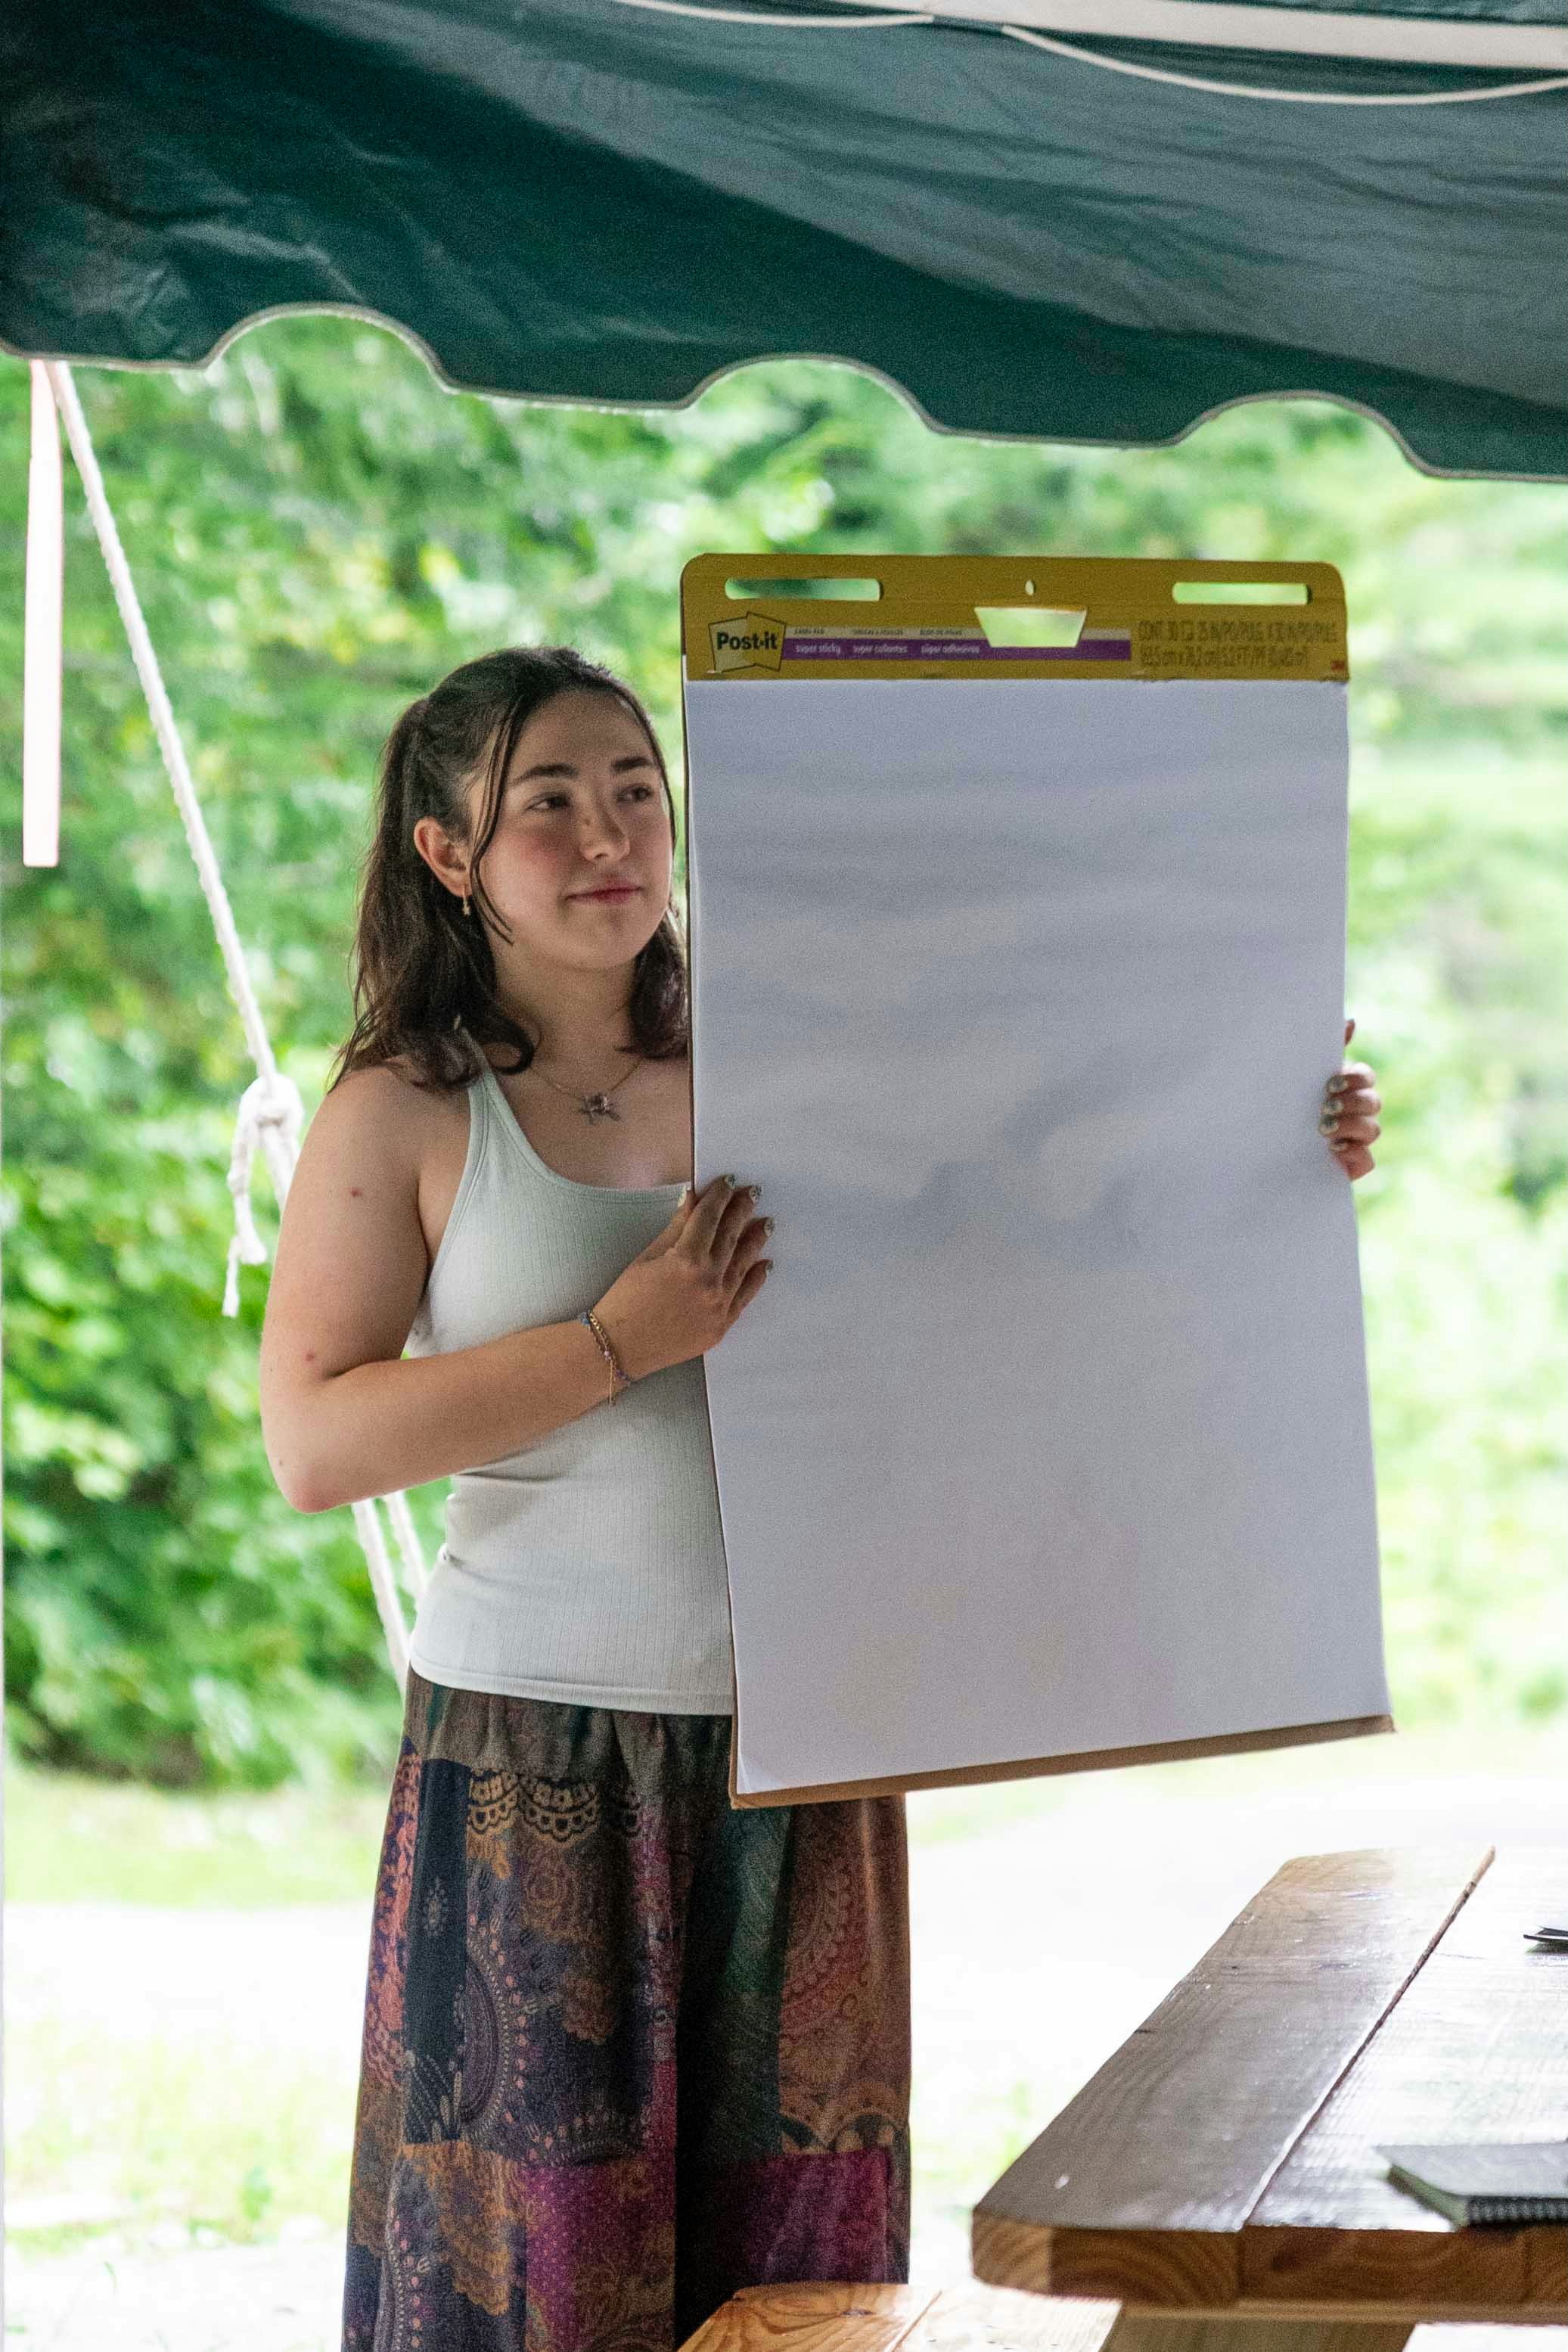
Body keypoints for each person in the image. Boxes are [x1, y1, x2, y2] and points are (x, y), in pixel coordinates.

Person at [258, 643, 1383, 2352]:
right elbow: (316, 1443)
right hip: (534, 1753)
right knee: (538, 2278)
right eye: (545, 803)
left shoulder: (794, 1054)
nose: (605, 834)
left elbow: (1035, 1238)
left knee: (798, 2279)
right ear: (446, 854)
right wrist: (616, 1340)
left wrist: (1267, 1135)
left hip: (809, 1746)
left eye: (633, 791)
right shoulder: (406, 1107)